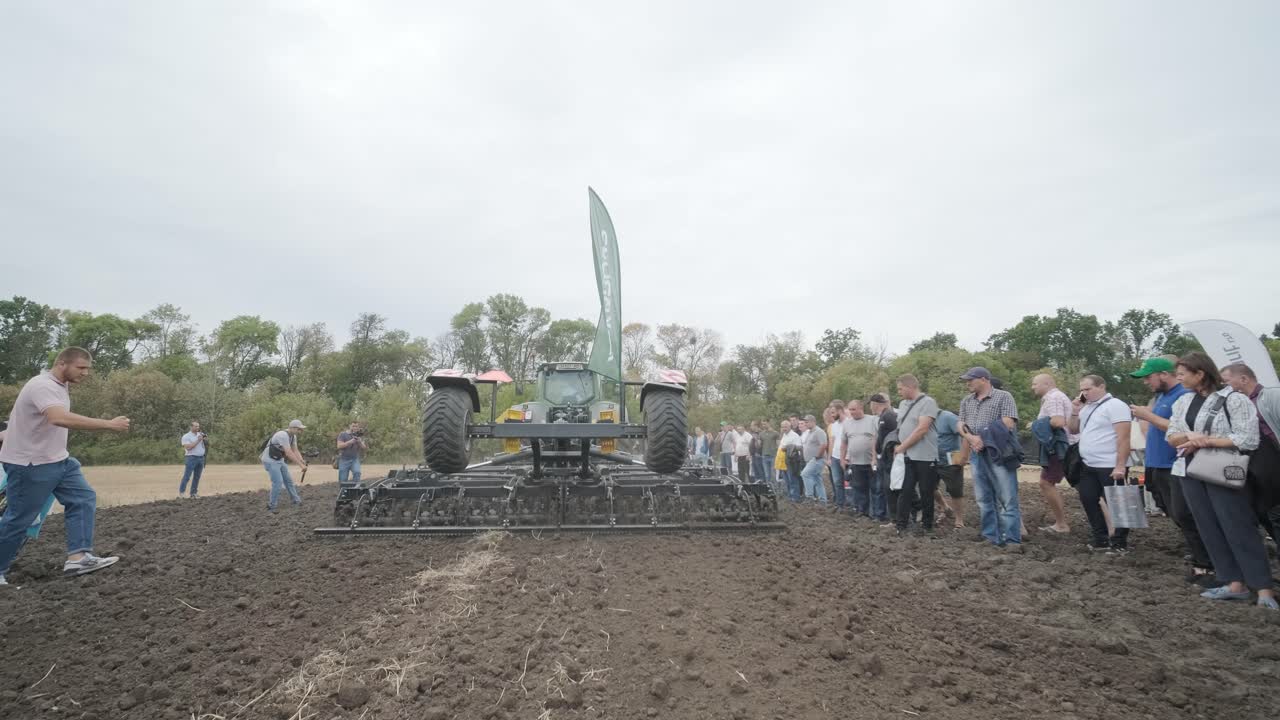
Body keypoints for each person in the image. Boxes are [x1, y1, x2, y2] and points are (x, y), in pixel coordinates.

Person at [0, 348, 130, 587]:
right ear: (61, 363)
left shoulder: (58, 385)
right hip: (31, 464)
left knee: (83, 498)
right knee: (19, 518)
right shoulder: (43, 386)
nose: (86, 373)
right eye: (81, 368)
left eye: (88, 368)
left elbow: (29, 418)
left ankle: (78, 558)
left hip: (58, 460)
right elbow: (58, 418)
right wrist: (108, 425)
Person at [1166, 352, 1275, 610]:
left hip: (1227, 467)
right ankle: (1233, 583)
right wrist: (1190, 437)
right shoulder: (1183, 402)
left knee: (1238, 525)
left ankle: (1263, 589)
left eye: (1182, 374)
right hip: (1189, 469)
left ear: (1200, 373)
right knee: (1209, 526)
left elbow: (1248, 439)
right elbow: (1171, 436)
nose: (1178, 378)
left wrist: (1206, 441)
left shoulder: (1234, 400)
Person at [1067, 375, 1133, 554]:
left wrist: (1120, 465)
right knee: (1088, 498)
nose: (1084, 393)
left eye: (1088, 389)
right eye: (1082, 390)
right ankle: (1101, 538)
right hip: (1089, 463)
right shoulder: (1086, 408)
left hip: (1110, 464)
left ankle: (1120, 543)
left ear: (1101, 386)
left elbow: (1124, 437)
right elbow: (1073, 429)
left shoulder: (1116, 406)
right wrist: (1074, 409)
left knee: (1118, 503)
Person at [958, 367, 1022, 547]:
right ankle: (990, 537)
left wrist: (983, 438)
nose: (968, 383)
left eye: (971, 379)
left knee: (1007, 498)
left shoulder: (1003, 397)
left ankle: (1011, 540)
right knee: (983, 498)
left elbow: (1008, 422)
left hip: (999, 453)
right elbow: (961, 423)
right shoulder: (967, 401)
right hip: (978, 454)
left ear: (984, 379)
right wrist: (970, 438)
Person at [1221, 363, 1280, 544]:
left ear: (1243, 379)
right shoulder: (1234, 406)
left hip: (1274, 461)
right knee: (1262, 510)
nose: (1224, 387)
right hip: (1256, 466)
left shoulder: (1272, 396)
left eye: (1226, 382)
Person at [892, 375, 940, 535]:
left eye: (900, 388)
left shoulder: (928, 402)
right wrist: (899, 445)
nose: (898, 392)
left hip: (925, 456)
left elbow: (922, 429)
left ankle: (927, 526)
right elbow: (901, 427)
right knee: (905, 490)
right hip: (908, 455)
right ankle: (901, 525)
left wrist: (902, 446)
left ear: (910, 386)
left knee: (926, 491)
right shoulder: (903, 404)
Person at [1030, 374, 1074, 534]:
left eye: (1035, 383)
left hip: (1060, 449)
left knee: (1046, 483)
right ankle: (1109, 524)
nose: (1032, 387)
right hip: (1068, 447)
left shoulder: (1053, 398)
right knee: (1084, 485)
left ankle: (1061, 524)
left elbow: (1058, 421)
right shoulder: (1058, 396)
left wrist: (1036, 424)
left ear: (1047, 383)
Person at [841, 400, 878, 519]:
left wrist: (875, 458)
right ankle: (863, 511)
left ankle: (876, 513)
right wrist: (843, 458)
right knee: (859, 488)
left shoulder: (872, 420)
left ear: (861, 408)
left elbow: (877, 439)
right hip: (855, 462)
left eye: (854, 409)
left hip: (871, 462)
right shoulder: (847, 424)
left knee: (875, 488)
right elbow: (844, 443)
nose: (851, 412)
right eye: (850, 409)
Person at [263, 419, 309, 513]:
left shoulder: (293, 437)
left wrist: (301, 460)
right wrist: (301, 466)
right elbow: (288, 452)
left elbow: (295, 450)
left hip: (279, 459)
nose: (301, 431)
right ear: (292, 428)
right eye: (299, 429)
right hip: (270, 460)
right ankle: (271, 506)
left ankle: (296, 501)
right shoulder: (282, 435)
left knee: (288, 481)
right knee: (278, 482)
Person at [933, 408, 966, 529]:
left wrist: (963, 455)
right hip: (932, 458)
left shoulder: (948, 417)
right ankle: (945, 507)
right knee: (929, 487)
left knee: (955, 490)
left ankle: (959, 520)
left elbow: (965, 433)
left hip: (952, 457)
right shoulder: (925, 420)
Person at [868, 394, 897, 522]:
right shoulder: (881, 417)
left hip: (890, 458)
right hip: (883, 458)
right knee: (883, 487)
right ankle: (885, 516)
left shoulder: (889, 416)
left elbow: (896, 434)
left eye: (871, 404)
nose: (870, 407)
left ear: (875, 404)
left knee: (891, 487)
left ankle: (896, 517)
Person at [799, 415, 829, 504]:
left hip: (816, 459)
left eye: (807, 422)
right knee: (817, 480)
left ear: (813, 421)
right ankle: (823, 500)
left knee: (805, 474)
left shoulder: (819, 431)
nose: (806, 424)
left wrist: (817, 456)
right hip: (810, 460)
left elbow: (823, 445)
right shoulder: (810, 432)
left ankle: (809, 496)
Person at [179, 420, 208, 498]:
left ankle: (193, 493)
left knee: (197, 477)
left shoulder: (200, 434)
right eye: (196, 426)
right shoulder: (186, 436)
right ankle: (182, 493)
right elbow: (188, 447)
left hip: (201, 458)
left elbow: (205, 444)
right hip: (191, 458)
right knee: (187, 476)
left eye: (198, 426)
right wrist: (198, 440)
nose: (197, 428)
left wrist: (205, 439)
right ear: (191, 427)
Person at [826, 403, 847, 508]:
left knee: (848, 482)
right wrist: (829, 457)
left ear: (840, 411)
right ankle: (840, 504)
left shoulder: (848, 423)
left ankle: (851, 504)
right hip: (835, 457)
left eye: (833, 413)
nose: (832, 415)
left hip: (846, 457)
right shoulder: (834, 425)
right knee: (837, 482)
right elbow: (832, 442)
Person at [336, 422, 368, 487]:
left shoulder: (359, 436)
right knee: (343, 479)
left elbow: (364, 447)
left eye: (356, 426)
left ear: (358, 428)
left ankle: (355, 491)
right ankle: (343, 494)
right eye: (353, 426)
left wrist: (359, 442)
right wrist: (350, 442)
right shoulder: (343, 434)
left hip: (354, 459)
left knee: (357, 473)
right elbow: (339, 446)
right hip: (344, 459)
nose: (355, 428)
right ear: (350, 426)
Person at [780, 420, 804, 501]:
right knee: (786, 480)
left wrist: (788, 447)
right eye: (783, 427)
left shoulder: (794, 435)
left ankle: (796, 497)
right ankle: (790, 496)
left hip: (793, 460)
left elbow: (799, 447)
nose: (784, 428)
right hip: (784, 460)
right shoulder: (784, 435)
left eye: (786, 427)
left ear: (790, 426)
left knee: (793, 479)